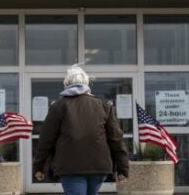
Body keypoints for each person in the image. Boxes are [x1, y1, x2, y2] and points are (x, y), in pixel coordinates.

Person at [33, 64, 129, 195]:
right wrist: (123, 168)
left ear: (66, 83)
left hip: (70, 167)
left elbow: (46, 140)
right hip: (99, 166)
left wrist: (39, 167)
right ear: (87, 83)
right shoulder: (103, 106)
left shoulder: (59, 106)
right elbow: (116, 139)